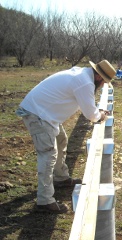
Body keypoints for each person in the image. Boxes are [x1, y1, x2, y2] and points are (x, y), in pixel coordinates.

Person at [16, 60, 116, 214]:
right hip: (38, 115)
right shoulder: (85, 83)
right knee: (48, 155)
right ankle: (44, 201)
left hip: (44, 114)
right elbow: (91, 115)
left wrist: (97, 111)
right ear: (99, 78)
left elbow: (88, 104)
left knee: (61, 140)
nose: (102, 86)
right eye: (104, 83)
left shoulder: (83, 75)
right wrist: (100, 115)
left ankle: (60, 177)